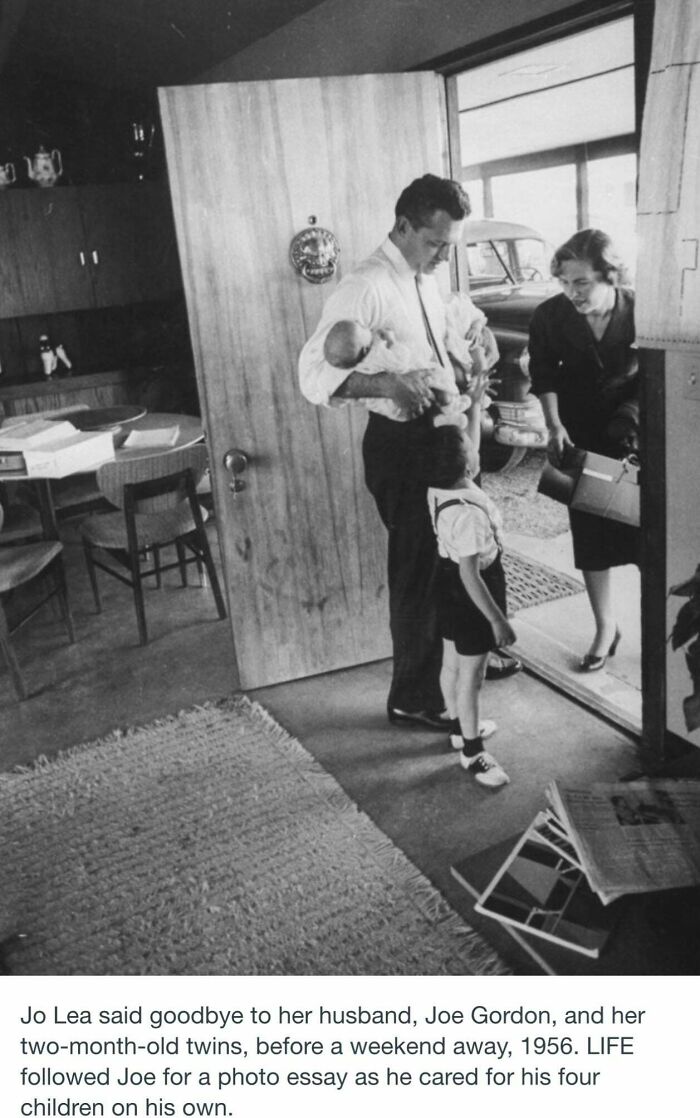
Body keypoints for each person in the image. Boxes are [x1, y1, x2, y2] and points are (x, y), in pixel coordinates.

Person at [299, 174, 520, 731]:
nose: (445, 255)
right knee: (420, 570)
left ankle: (468, 651)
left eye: (452, 244)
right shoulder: (364, 287)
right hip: (402, 445)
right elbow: (311, 377)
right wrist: (388, 387)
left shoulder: (422, 275)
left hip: (442, 434)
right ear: (403, 226)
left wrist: (480, 330)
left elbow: (445, 313)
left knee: (463, 552)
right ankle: (415, 697)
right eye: (437, 243)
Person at [528, 228, 639, 672]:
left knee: (645, 533)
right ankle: (605, 627)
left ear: (610, 276)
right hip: (580, 432)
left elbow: (654, 374)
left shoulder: (640, 309)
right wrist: (553, 426)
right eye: (564, 282)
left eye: (582, 283)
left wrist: (631, 417)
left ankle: (660, 626)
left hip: (635, 429)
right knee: (591, 533)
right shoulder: (550, 315)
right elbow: (543, 373)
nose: (571, 293)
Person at [425, 414, 515, 787]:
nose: (473, 443)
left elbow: (466, 444)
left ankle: (458, 724)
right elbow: (471, 574)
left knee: (452, 662)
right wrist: (496, 620)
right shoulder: (469, 514)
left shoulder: (439, 488)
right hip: (472, 590)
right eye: (469, 443)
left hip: (444, 582)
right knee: (473, 676)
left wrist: (477, 398)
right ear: (469, 464)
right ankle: (472, 750)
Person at [323, 319, 469, 427]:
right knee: (436, 380)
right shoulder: (376, 353)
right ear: (364, 350)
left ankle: (440, 418)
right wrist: (392, 341)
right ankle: (451, 408)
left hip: (391, 410)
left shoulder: (356, 363)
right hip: (404, 400)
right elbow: (401, 359)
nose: (369, 329)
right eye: (363, 329)